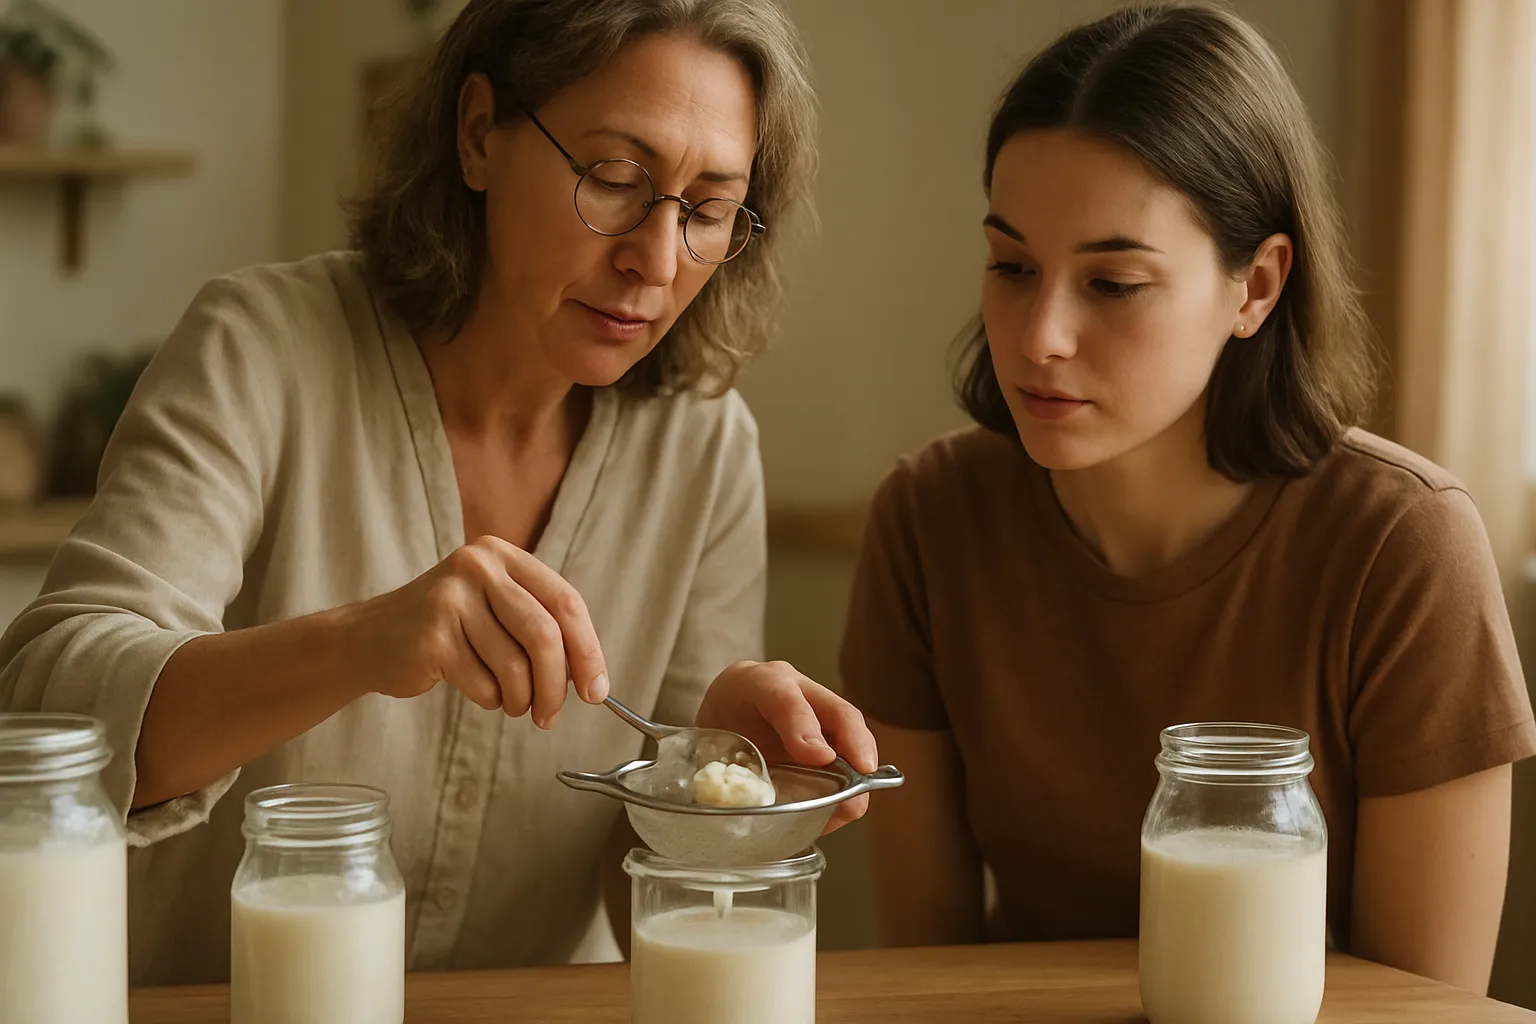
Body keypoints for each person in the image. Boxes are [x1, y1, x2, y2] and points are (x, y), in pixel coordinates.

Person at [0, 0, 875, 986]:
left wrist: (711, 796)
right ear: (477, 135)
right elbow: (51, 707)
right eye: (616, 179)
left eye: (709, 210)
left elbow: (652, 921)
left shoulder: (706, 445)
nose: (657, 261)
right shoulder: (262, 348)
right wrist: (360, 640)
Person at [843, 1, 1536, 995]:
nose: (1039, 334)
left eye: (1113, 282)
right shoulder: (928, 519)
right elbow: (930, 972)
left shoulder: (1405, 546)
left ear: (1256, 286)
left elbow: (1421, 1006)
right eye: (1012, 265)